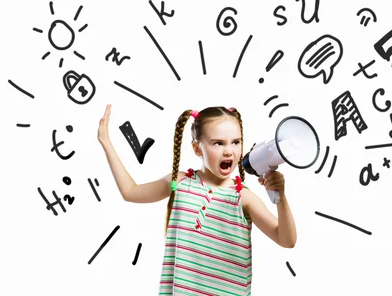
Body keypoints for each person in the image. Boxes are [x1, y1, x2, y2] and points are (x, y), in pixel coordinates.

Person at [97, 104, 297, 296]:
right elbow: (130, 192)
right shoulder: (180, 182)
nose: (229, 151)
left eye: (235, 142)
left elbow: (287, 240)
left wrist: (281, 196)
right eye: (218, 143)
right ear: (197, 148)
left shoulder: (243, 198)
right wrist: (106, 141)